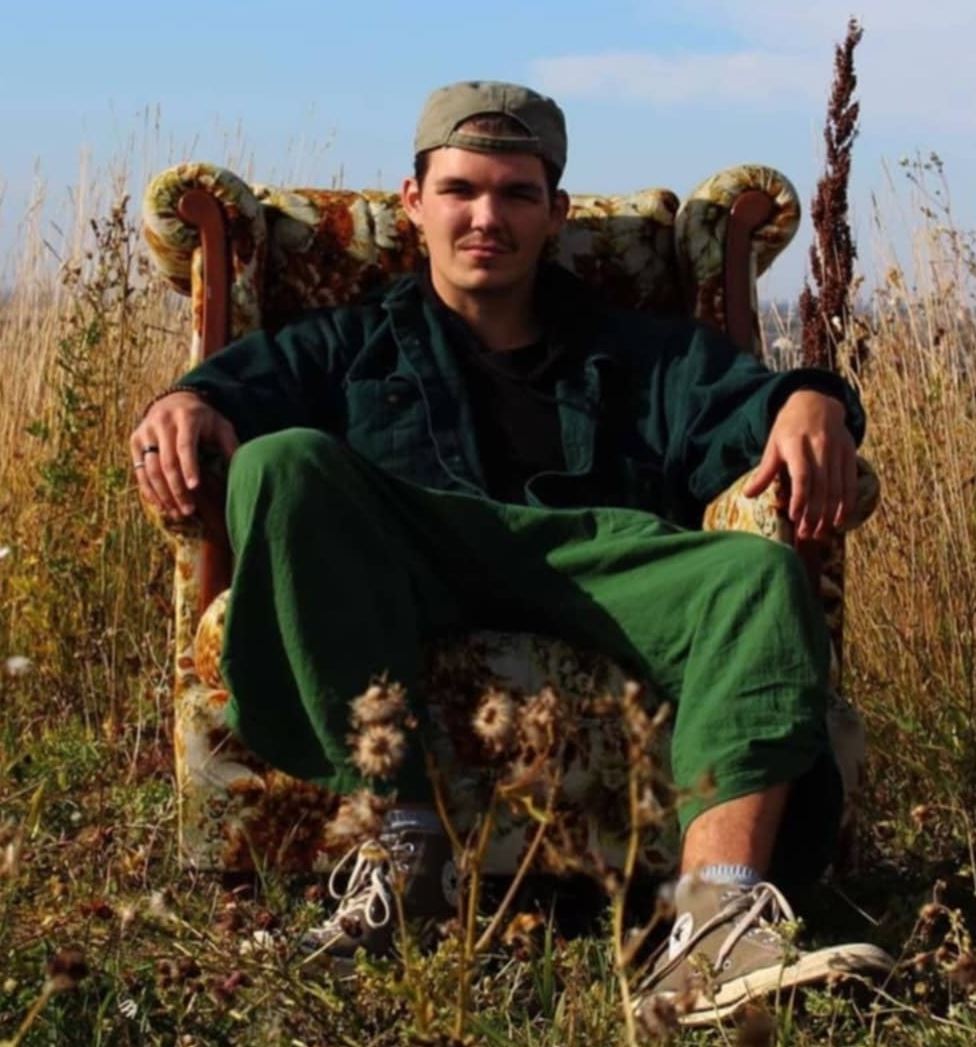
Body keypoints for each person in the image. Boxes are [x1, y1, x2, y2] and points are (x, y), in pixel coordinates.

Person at [130, 81, 892, 1024]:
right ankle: (405, 842)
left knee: (756, 571)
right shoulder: (346, 344)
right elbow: (231, 396)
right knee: (283, 464)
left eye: (516, 193)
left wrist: (810, 400)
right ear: (415, 205)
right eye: (460, 190)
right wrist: (187, 402)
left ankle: (717, 922)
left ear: (554, 212)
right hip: (419, 561)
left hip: (596, 568)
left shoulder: (641, 350)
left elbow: (744, 407)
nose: (485, 216)